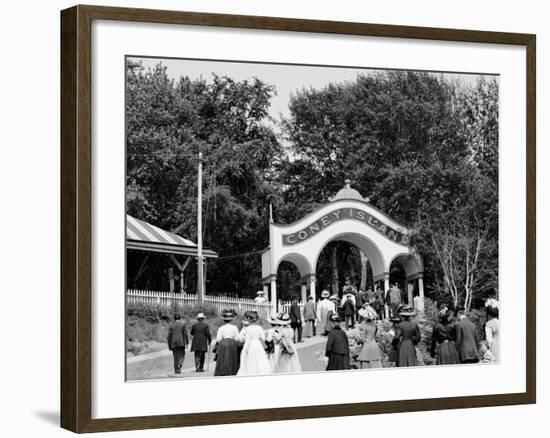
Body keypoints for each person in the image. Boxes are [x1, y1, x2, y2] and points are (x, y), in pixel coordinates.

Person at [237, 311, 271, 376]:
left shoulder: (247, 328)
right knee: (259, 357)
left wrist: (245, 346)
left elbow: (244, 339)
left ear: (249, 320)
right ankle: (259, 370)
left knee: (250, 357)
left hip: (250, 343)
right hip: (258, 344)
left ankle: (251, 370)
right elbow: (263, 338)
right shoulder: (259, 328)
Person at [214, 310, 241, 376]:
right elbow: (237, 338)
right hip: (232, 343)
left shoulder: (221, 328)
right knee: (232, 357)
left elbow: (218, 339)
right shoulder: (234, 328)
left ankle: (223, 371)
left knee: (223, 358)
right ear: (231, 320)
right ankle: (232, 371)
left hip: (223, 343)